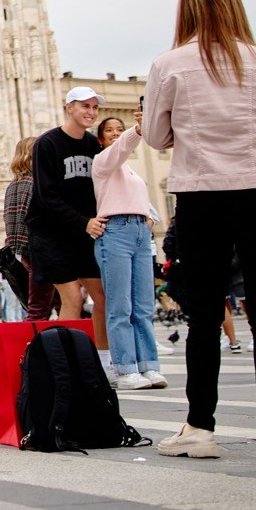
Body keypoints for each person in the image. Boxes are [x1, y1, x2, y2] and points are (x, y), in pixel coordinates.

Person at [144, 0, 256, 461]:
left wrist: (184, 134)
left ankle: (200, 428)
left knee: (202, 316)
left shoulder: (169, 64)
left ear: (186, 10)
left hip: (203, 195)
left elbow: (154, 136)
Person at [28, 86, 108, 352]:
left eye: (95, 107)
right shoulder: (47, 143)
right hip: (51, 232)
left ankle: (103, 359)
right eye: (85, 106)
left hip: (84, 233)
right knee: (72, 297)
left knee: (102, 297)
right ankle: (67, 363)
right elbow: (46, 195)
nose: (91, 112)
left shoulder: (92, 145)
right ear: (69, 107)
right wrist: (82, 221)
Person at [91, 114, 165, 391]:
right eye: (109, 130)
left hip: (138, 233)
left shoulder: (132, 172)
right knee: (120, 306)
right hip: (116, 233)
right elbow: (121, 148)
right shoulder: (102, 163)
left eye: (118, 129)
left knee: (144, 304)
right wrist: (136, 130)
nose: (114, 134)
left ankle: (149, 365)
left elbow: (141, 200)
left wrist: (149, 219)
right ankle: (124, 368)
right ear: (100, 139)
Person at [0, 138, 51, 322]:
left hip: (26, 251)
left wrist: (20, 251)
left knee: (39, 305)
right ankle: (35, 347)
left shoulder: (13, 185)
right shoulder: (36, 183)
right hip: (41, 249)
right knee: (41, 306)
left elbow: (10, 222)